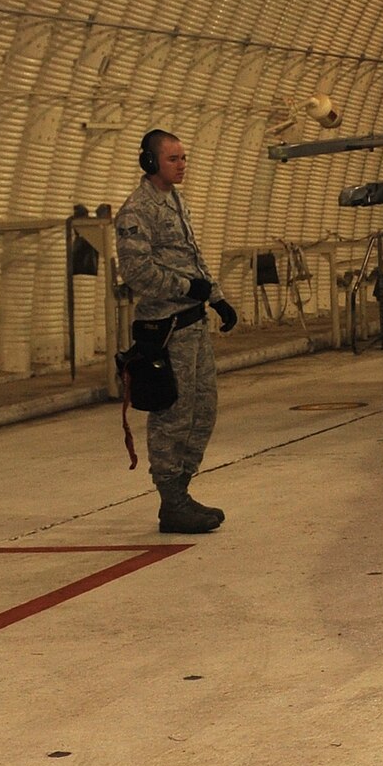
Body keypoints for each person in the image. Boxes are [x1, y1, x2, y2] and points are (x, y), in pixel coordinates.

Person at [114, 129, 239, 533]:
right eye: (173, 159)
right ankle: (172, 501)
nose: (182, 165)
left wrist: (216, 297)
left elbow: (191, 254)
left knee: (203, 411)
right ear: (151, 163)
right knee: (173, 415)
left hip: (194, 324)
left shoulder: (175, 200)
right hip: (167, 331)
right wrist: (188, 288)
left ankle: (182, 492)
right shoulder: (137, 211)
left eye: (184, 157)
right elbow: (138, 273)